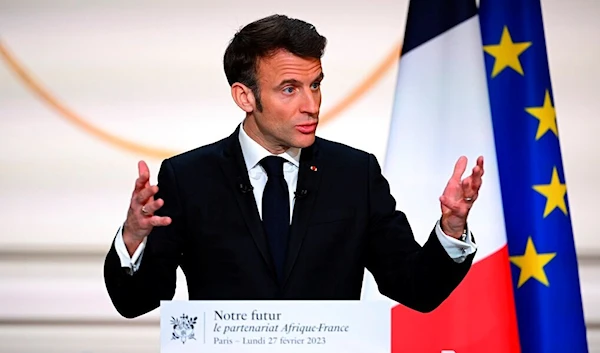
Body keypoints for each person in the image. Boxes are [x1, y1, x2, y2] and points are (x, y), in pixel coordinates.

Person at [103, 14, 481, 319]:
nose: (311, 105)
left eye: (315, 85)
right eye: (289, 88)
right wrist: (134, 237)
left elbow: (418, 288)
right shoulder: (188, 178)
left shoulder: (354, 174)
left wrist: (451, 227)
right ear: (245, 96)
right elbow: (138, 301)